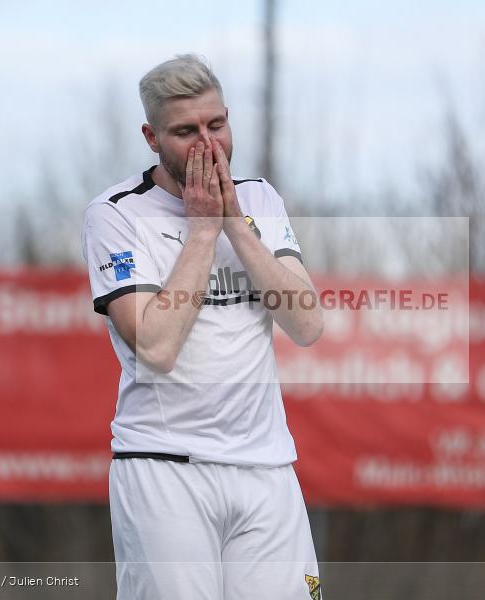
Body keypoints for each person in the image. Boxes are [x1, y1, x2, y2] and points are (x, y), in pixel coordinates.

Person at [81, 54, 324, 600]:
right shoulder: (115, 214)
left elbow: (307, 323)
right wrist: (201, 232)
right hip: (166, 467)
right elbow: (157, 347)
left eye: (216, 125)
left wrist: (235, 224)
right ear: (151, 137)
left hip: (266, 466)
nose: (207, 144)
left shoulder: (259, 199)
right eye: (186, 131)